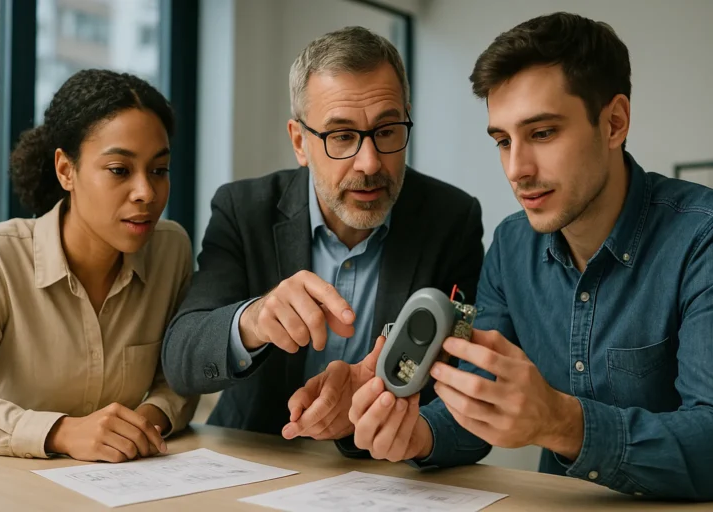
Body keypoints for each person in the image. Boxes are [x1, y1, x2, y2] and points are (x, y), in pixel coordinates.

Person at [344, 12, 713, 501]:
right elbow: (477, 405)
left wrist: (560, 421)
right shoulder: (512, 246)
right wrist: (418, 434)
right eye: (502, 141)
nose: (517, 169)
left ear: (614, 122)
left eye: (542, 133)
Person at [161, 26, 484, 454]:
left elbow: (468, 396)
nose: (369, 163)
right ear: (300, 141)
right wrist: (254, 320)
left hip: (384, 476)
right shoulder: (244, 209)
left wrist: (391, 416)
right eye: (342, 137)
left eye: (387, 131)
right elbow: (183, 358)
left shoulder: (451, 220)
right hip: (253, 459)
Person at [0, 69, 198, 462]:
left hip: (126, 485)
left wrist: (145, 422)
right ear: (66, 170)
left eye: (159, 170)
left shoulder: (171, 250)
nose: (146, 193)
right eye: (119, 170)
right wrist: (62, 432)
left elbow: (181, 376)